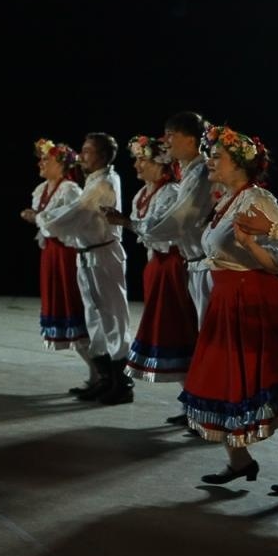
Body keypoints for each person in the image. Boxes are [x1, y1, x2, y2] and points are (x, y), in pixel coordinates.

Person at [178, 126, 278, 485]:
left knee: (265, 382)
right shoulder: (226, 201)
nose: (209, 160)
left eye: (217, 156)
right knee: (220, 380)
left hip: (254, 301)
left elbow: (277, 261)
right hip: (225, 300)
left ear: (239, 164)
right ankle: (239, 461)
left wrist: (252, 247)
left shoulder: (259, 201)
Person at [33, 133, 132, 404]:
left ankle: (121, 383)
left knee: (112, 317)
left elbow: (78, 212)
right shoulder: (94, 180)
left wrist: (43, 219)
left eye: (87, 151)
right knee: (95, 318)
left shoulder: (104, 182)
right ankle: (105, 379)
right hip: (87, 253)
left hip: (103, 253)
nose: (82, 155)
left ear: (100, 155)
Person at [134, 112, 216, 426]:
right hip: (192, 265)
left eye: (172, 134)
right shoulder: (189, 173)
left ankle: (207, 413)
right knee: (195, 338)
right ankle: (197, 409)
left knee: (204, 341)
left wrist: (137, 227)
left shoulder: (199, 174)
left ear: (192, 139)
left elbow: (180, 220)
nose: (166, 141)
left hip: (202, 266)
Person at [104, 136, 197, 384]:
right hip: (156, 264)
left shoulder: (170, 192)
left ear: (161, 162)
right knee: (167, 328)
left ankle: (193, 398)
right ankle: (188, 400)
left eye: (142, 160)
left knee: (177, 328)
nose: (137, 165)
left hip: (172, 265)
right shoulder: (143, 194)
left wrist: (125, 222)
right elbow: (145, 230)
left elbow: (160, 229)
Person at [21, 140, 89, 364]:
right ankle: (95, 372)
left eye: (46, 160)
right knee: (60, 307)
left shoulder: (69, 189)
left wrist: (36, 217)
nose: (41, 163)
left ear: (61, 164)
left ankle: (99, 370)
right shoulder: (42, 189)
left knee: (73, 307)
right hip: (50, 252)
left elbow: (63, 220)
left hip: (66, 254)